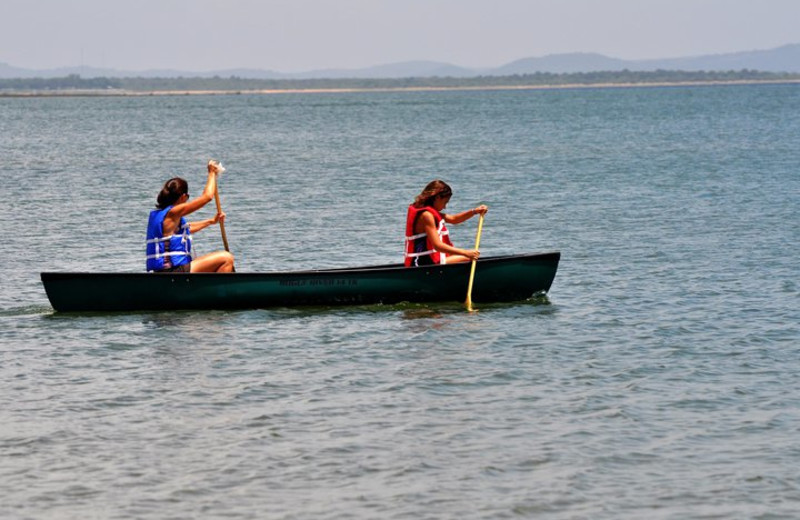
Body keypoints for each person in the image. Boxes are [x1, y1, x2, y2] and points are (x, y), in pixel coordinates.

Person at [146, 160, 235, 273]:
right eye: (187, 196)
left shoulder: (161, 215)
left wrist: (211, 221)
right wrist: (212, 173)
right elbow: (207, 197)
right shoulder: (173, 212)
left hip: (168, 272)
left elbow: (187, 229)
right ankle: (221, 290)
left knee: (216, 261)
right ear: (183, 196)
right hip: (173, 271)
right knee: (226, 258)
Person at [404, 180, 488, 267]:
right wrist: (466, 253)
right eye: (445, 202)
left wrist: (475, 211)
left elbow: (453, 219)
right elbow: (437, 246)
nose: (445, 206)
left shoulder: (428, 211)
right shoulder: (426, 215)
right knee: (469, 258)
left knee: (465, 256)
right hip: (421, 262)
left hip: (424, 260)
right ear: (437, 198)